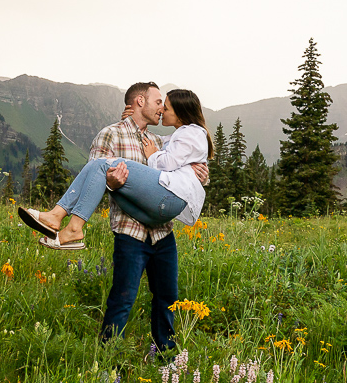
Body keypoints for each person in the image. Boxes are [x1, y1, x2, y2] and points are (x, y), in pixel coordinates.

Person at [19, 83, 212, 352]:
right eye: (158, 102)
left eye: (164, 105)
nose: (161, 108)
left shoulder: (157, 141)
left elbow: (184, 162)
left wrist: (202, 172)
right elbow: (93, 175)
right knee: (122, 300)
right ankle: (110, 361)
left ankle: (167, 359)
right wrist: (110, 180)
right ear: (140, 101)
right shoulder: (110, 135)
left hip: (161, 231)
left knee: (168, 298)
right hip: (130, 231)